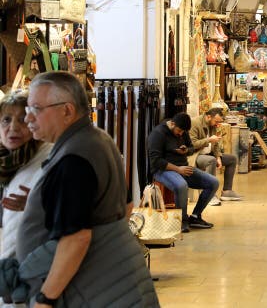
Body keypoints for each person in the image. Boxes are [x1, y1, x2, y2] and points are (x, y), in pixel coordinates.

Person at [14, 71, 157, 305]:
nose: (28, 118)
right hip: (108, 280)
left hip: (90, 288)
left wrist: (45, 298)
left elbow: (76, 239)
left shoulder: (74, 157)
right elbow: (126, 206)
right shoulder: (98, 139)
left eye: (36, 109)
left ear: (67, 111)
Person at [0, 91, 52, 261]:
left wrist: (37, 204)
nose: (13, 128)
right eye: (6, 120)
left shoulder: (49, 159)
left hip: (33, 263)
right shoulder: (4, 163)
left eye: (22, 119)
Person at [149, 112, 219, 232]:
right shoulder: (158, 134)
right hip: (163, 170)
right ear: (172, 124)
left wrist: (186, 150)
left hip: (183, 168)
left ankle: (195, 217)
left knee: (213, 182)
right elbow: (156, 161)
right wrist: (178, 169)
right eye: (179, 131)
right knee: (181, 185)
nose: (181, 134)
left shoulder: (183, 131)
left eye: (183, 132)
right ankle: (182, 220)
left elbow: (191, 148)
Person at [190, 107, 243, 204]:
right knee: (211, 160)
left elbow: (216, 144)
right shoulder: (195, 123)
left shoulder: (213, 125)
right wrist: (209, 140)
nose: (217, 124)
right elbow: (192, 144)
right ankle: (210, 194)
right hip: (196, 155)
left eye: (219, 122)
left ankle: (227, 191)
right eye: (216, 121)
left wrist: (218, 156)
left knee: (232, 159)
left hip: (208, 153)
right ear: (209, 117)